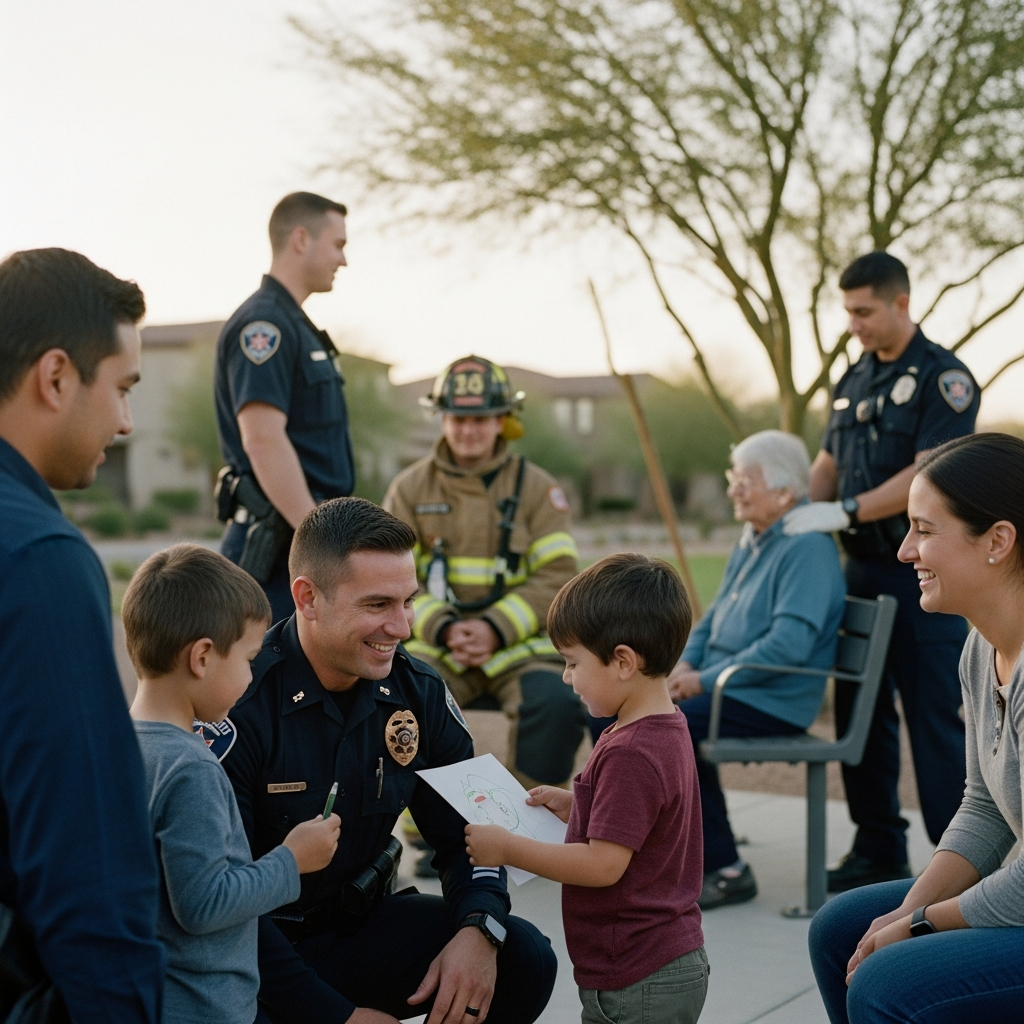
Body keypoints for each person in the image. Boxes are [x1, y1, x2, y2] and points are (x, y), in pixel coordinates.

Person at [219, 497, 557, 1024]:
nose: (402, 627)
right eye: (378, 605)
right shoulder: (240, 703)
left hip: (356, 928)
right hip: (255, 959)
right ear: (308, 598)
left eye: (409, 602)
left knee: (522, 956)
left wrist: (479, 927)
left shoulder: (415, 691)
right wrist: (336, 1017)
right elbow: (224, 908)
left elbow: (470, 832)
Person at [809, 432, 1024, 1023]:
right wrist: (908, 910)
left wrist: (920, 924)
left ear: (997, 541)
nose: (905, 552)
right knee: (842, 928)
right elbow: (983, 809)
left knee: (887, 981)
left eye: (924, 530)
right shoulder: (981, 648)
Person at [0, 248, 164, 1022]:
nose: (126, 421)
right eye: (123, 387)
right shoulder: (38, 559)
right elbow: (82, 851)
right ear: (57, 376)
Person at [784, 251, 979, 893]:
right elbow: (827, 459)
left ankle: (965, 865)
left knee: (935, 718)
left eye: (864, 311)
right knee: (859, 715)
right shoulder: (855, 377)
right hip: (858, 571)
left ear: (901, 304)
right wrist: (803, 507)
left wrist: (844, 509)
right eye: (847, 312)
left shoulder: (943, 379)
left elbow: (928, 473)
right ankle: (877, 847)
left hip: (920, 572)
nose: (854, 325)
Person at [465, 553, 709, 1024]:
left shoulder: (630, 750)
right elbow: (650, 817)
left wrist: (507, 847)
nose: (565, 677)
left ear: (622, 661)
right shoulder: (662, 724)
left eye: (573, 663)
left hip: (638, 977)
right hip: (660, 961)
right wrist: (581, 804)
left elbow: (602, 865)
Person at [124, 544, 341, 1024]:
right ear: (202, 657)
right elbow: (203, 904)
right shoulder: (191, 768)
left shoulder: (117, 748)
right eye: (247, 659)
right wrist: (292, 860)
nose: (250, 676)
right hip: (202, 1008)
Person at [383, 355, 585, 793]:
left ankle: (524, 828)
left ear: (502, 421)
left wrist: (494, 628)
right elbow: (388, 577)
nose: (468, 429)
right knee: (401, 702)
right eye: (457, 417)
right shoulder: (409, 489)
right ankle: (433, 841)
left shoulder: (538, 490)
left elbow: (559, 578)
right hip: (437, 646)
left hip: (521, 650)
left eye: (481, 417)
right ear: (442, 418)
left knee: (557, 706)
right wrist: (444, 627)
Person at [669, 430, 846, 909]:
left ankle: (725, 868)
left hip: (772, 698)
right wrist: (685, 663)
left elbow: (788, 646)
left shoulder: (807, 549)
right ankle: (663, 851)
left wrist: (702, 681)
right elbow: (712, 620)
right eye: (733, 478)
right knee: (609, 708)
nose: (734, 490)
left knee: (663, 725)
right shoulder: (755, 538)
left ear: (786, 492)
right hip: (729, 687)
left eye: (746, 480)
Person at [215, 191, 354, 622]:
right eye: (338, 245)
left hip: (298, 546)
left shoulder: (295, 324)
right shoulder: (266, 326)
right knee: (262, 683)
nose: (344, 260)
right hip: (279, 550)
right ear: (300, 239)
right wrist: (320, 542)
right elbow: (262, 439)